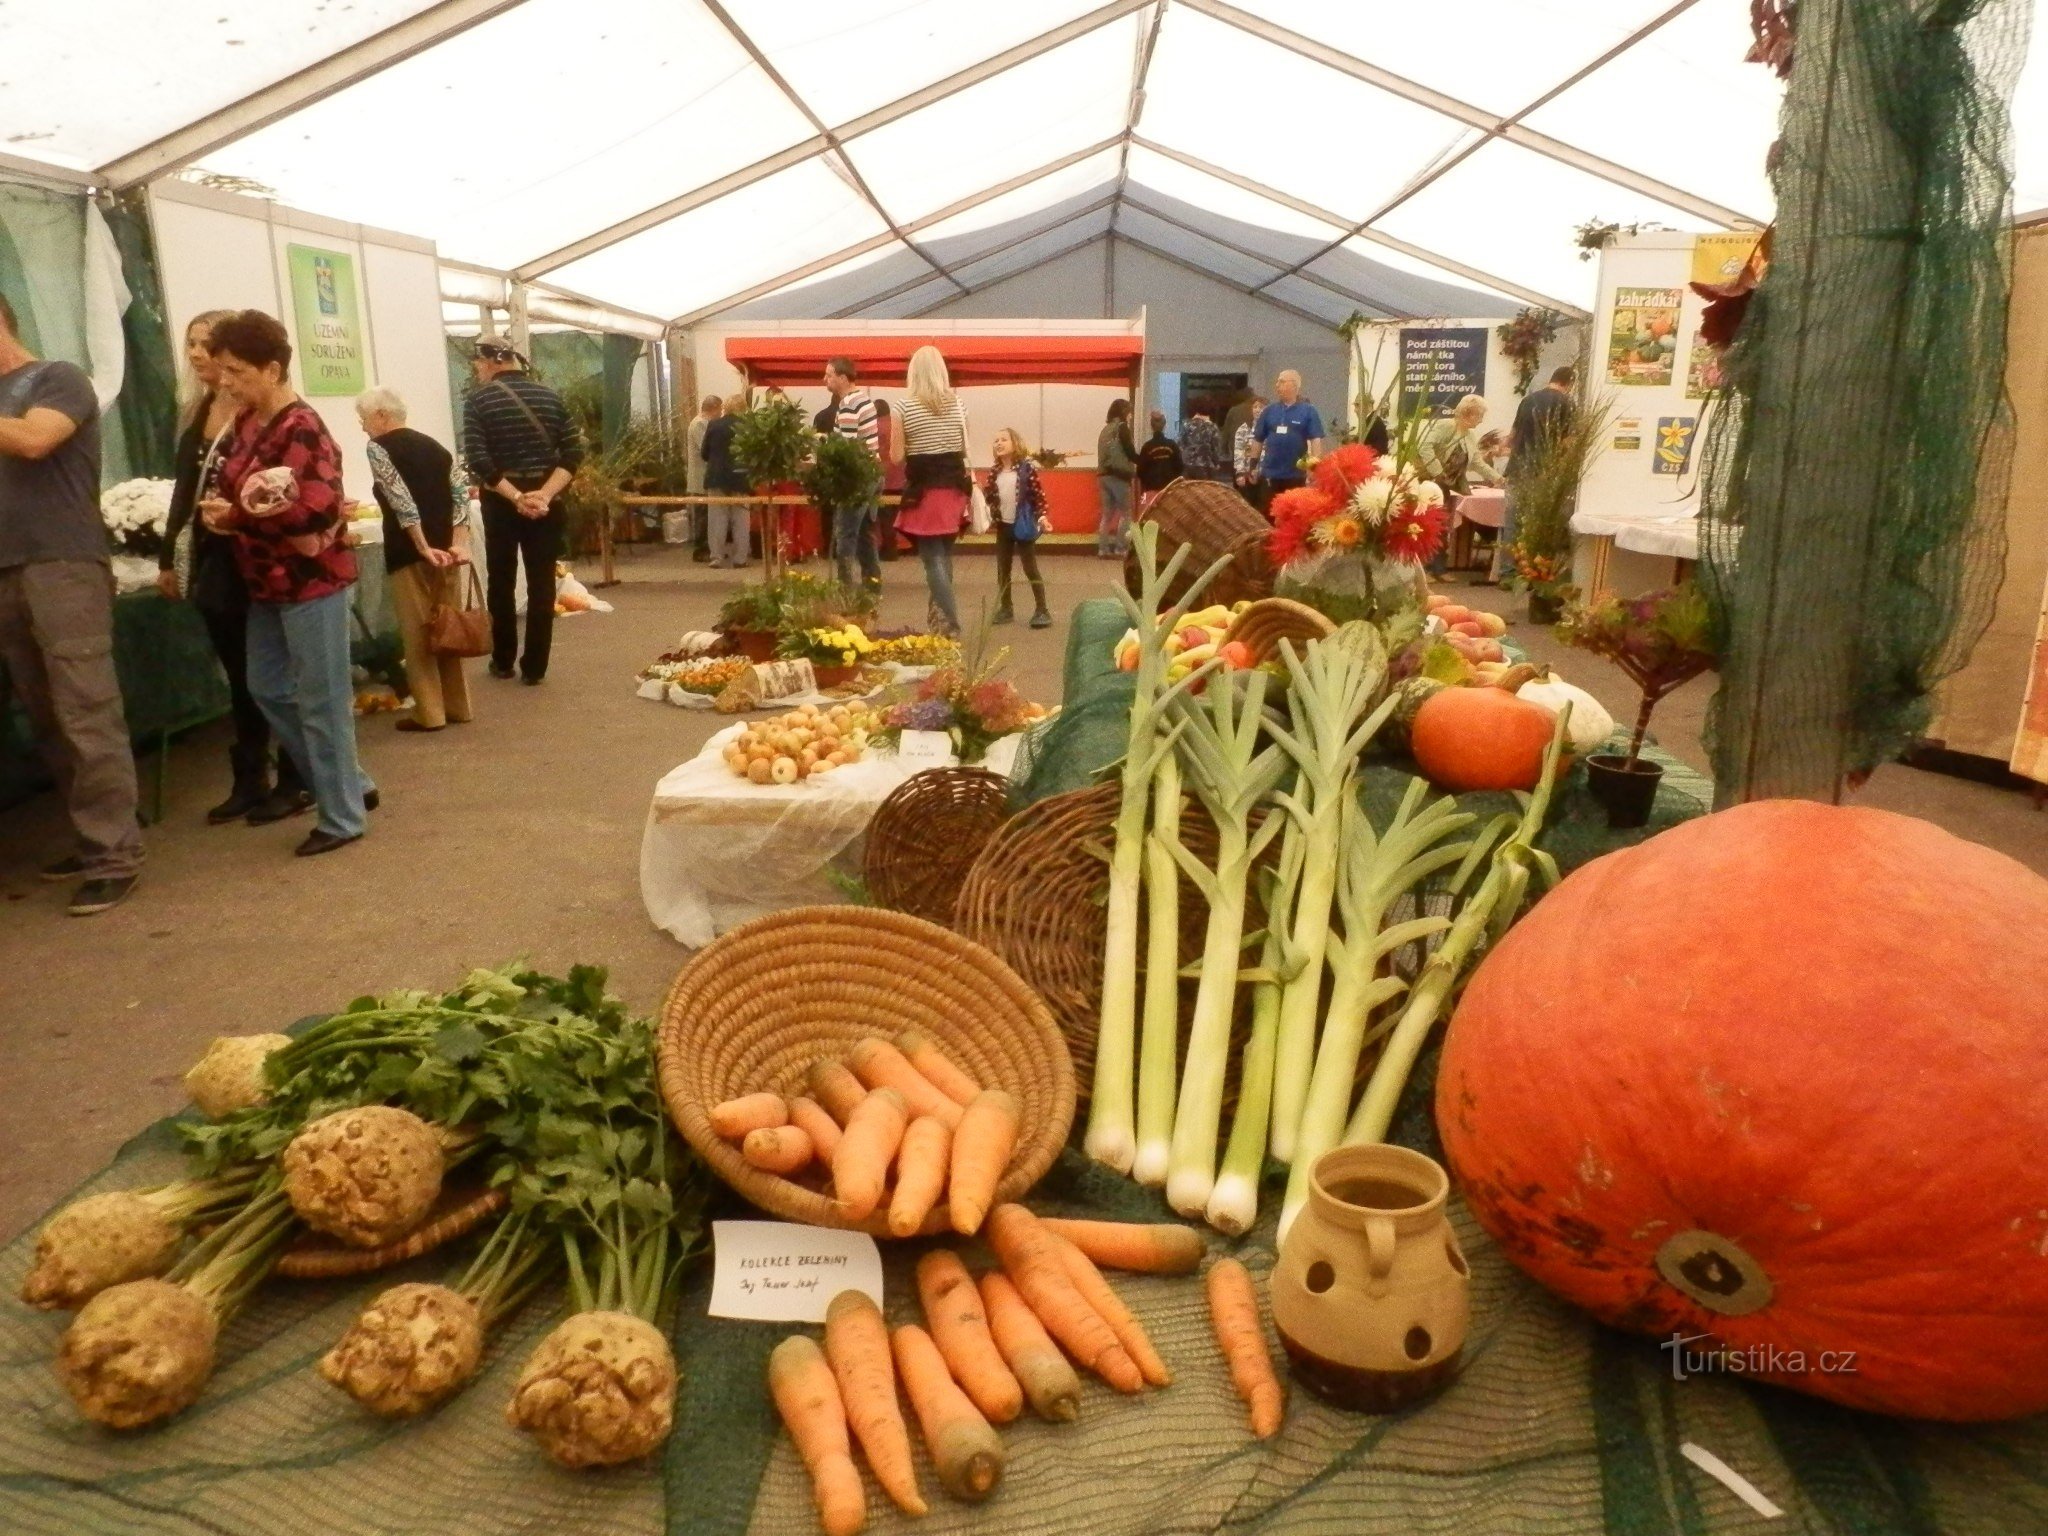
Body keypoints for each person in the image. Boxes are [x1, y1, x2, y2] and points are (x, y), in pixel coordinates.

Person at [199, 310, 376, 858]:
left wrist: (237, 517)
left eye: (236, 370)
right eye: (221, 369)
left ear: (272, 368)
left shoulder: (301, 426)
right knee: (269, 687)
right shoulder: (248, 422)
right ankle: (351, 783)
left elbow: (317, 509)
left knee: (322, 702)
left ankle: (342, 815)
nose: (225, 380)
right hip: (266, 583)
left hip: (311, 582)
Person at [0, 290, 144, 914]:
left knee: (86, 711)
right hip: (8, 569)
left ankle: (114, 855)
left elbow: (36, 441)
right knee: (48, 717)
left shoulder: (56, 378)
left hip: (61, 565)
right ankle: (92, 840)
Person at [158, 308, 306, 825]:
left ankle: (296, 776)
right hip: (215, 558)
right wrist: (169, 558)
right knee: (241, 673)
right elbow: (183, 489)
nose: (197, 353)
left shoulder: (266, 412)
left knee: (277, 674)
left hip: (260, 554)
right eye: (191, 344)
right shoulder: (197, 411)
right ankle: (249, 777)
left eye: (206, 343)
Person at [462, 337, 583, 685]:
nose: (478, 372)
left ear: (491, 362)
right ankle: (535, 666)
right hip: (548, 501)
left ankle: (502, 660)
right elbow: (573, 453)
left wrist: (516, 497)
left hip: (501, 502)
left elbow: (478, 459)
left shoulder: (478, 402)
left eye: (478, 366)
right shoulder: (551, 397)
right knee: (542, 584)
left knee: (500, 581)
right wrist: (543, 495)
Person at [358, 387, 472, 734]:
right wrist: (458, 542)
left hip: (411, 552)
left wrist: (421, 546)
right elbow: (460, 495)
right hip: (448, 552)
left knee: (418, 632)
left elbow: (400, 500)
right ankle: (459, 706)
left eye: (364, 419)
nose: (363, 427)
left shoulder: (379, 448)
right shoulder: (436, 447)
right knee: (448, 627)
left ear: (381, 415)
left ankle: (431, 713)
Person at [890, 345, 969, 635]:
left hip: (923, 492)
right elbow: (963, 445)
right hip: (954, 491)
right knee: (944, 556)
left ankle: (951, 623)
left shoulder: (903, 407)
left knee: (932, 560)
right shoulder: (959, 404)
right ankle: (938, 620)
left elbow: (896, 456)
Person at [1493, 365, 1577, 582]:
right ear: (1570, 383)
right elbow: (1567, 442)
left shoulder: (1528, 400)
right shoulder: (1567, 403)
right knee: (1538, 523)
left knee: (1512, 521)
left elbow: (1512, 435)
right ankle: (1530, 573)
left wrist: (1500, 450)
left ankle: (1507, 573)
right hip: (1543, 472)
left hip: (1518, 468)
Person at [822, 356, 883, 591]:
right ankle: (872, 587)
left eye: (829, 375)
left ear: (843, 378)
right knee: (865, 534)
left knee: (845, 534)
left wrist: (822, 447)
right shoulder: (865, 400)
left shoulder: (848, 404)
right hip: (872, 472)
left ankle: (845, 591)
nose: (824, 379)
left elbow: (846, 447)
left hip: (856, 476)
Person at [985, 428, 1051, 629]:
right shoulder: (994, 471)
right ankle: (1006, 608)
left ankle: (1042, 610)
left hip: (1022, 526)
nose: (999, 443)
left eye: (1004, 439)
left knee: (1030, 568)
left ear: (1015, 444)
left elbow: (1038, 496)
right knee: (1002, 569)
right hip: (1003, 527)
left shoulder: (1026, 469)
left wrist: (1042, 518)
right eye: (996, 440)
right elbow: (989, 496)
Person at [1251, 370, 1324, 510]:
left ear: (1295, 386)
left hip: (1295, 475)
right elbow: (1258, 439)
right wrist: (1252, 466)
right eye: (1277, 381)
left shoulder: (1308, 411)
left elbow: (1316, 440)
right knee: (1268, 514)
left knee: (1293, 514)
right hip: (1270, 474)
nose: (1277, 385)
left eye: (1282, 381)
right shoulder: (1269, 411)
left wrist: (1314, 468)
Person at [701, 393, 749, 568]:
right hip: (740, 476)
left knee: (717, 518)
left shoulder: (714, 425)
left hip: (716, 476)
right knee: (741, 519)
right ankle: (740, 558)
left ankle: (716, 556)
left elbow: (704, 453)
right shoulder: (747, 426)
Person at [1094, 399, 1137, 559]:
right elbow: (1130, 452)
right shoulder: (1122, 428)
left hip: (1103, 475)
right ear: (1123, 412)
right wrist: (1142, 461)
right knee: (1126, 513)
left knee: (1107, 515)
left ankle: (1103, 549)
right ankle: (1120, 548)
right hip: (1119, 475)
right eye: (1129, 411)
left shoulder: (1105, 429)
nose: (1131, 415)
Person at [686, 395, 719, 563]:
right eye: (719, 410)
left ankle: (710, 547)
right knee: (701, 515)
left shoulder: (706, 424)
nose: (721, 414)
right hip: (699, 477)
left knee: (708, 515)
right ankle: (700, 549)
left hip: (706, 476)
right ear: (713, 408)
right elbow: (704, 448)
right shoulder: (698, 424)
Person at [872, 396, 904, 562]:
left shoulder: (876, 427)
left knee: (884, 516)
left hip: (883, 475)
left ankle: (888, 549)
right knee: (896, 515)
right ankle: (896, 547)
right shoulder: (896, 424)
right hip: (901, 475)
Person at [1135, 409, 1184, 502]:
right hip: (1169, 490)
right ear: (1164, 425)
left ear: (1151, 426)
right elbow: (1180, 467)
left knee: (1149, 514)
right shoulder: (1172, 445)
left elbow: (1140, 471)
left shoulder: (1147, 447)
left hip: (1150, 490)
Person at [1180, 404, 1228, 482]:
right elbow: (1216, 448)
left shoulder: (1186, 425)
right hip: (1206, 466)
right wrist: (1216, 463)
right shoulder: (1212, 426)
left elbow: (1180, 445)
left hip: (1188, 466)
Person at [1231, 394, 1266, 496]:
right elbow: (1238, 452)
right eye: (1255, 407)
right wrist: (1240, 473)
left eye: (1261, 407)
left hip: (1266, 474)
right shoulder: (1244, 429)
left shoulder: (1271, 429)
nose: (1257, 410)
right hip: (1247, 474)